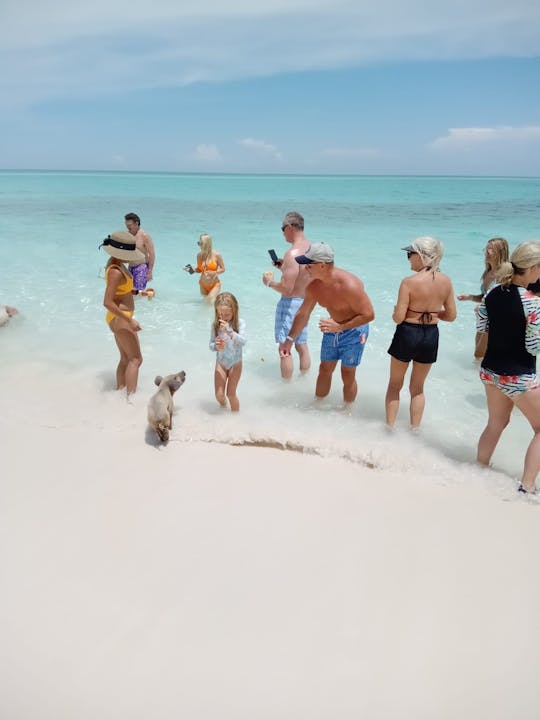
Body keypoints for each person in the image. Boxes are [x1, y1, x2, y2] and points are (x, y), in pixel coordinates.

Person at [475, 241, 540, 494]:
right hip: (518, 375)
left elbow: (482, 323)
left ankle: (477, 470)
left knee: (496, 423)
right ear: (533, 267)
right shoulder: (532, 302)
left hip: (490, 371)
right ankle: (527, 487)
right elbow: (534, 346)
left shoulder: (493, 292)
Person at [278, 242, 374, 405]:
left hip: (355, 331)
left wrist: (341, 327)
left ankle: (347, 411)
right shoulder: (314, 286)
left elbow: (369, 315)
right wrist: (289, 340)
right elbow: (303, 314)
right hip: (332, 328)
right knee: (324, 369)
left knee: (347, 373)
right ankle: (317, 408)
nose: (305, 268)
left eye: (308, 264)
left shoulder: (350, 285)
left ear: (322, 265)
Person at [385, 237, 457, 429]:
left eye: (410, 254)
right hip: (431, 335)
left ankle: (389, 429)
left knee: (394, 385)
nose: (408, 258)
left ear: (422, 256)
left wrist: (395, 312)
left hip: (408, 333)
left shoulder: (409, 282)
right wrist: (432, 313)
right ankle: (414, 431)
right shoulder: (446, 281)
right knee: (417, 389)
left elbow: (399, 318)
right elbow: (451, 316)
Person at [262, 211, 311, 379]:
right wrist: (284, 267)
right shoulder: (311, 248)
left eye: (283, 229)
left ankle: (286, 389)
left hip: (290, 304)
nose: (282, 233)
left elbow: (287, 289)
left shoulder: (292, 253)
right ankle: (304, 380)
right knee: (302, 345)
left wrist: (269, 282)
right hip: (305, 303)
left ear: (290, 227)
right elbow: (301, 277)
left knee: (284, 347)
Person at [100, 231, 148, 397]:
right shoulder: (116, 271)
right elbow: (107, 302)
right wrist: (130, 320)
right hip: (121, 317)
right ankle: (131, 399)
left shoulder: (117, 265)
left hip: (119, 317)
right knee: (136, 359)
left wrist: (139, 292)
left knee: (125, 359)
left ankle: (119, 394)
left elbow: (121, 292)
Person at [457, 237, 509, 359]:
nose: (486, 253)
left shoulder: (505, 272)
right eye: (485, 249)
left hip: (496, 319)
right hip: (483, 318)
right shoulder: (488, 272)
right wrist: (469, 297)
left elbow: (507, 299)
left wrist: (486, 306)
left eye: (490, 250)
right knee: (479, 355)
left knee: (480, 354)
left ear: (500, 252)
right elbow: (485, 297)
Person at [209, 292, 246, 411]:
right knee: (219, 395)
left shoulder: (240, 323)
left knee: (231, 394)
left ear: (234, 311)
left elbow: (243, 342)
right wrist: (216, 346)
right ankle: (223, 410)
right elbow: (211, 345)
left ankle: (236, 420)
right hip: (221, 362)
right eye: (220, 314)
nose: (223, 317)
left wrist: (229, 331)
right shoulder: (215, 325)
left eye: (227, 314)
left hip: (235, 362)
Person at [185, 233, 225, 302]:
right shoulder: (199, 255)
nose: (199, 245)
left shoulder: (217, 255)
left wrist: (215, 272)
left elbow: (223, 269)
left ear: (207, 244)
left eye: (200, 243)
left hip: (215, 284)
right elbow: (199, 270)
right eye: (198, 243)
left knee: (209, 301)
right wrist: (190, 270)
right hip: (203, 284)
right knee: (206, 304)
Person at [124, 212, 156, 292]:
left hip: (142, 267)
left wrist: (150, 272)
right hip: (130, 267)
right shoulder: (127, 235)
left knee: (137, 293)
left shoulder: (144, 236)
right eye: (126, 225)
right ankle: (149, 294)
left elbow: (152, 254)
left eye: (129, 225)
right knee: (128, 291)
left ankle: (147, 298)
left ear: (136, 223)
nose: (127, 227)